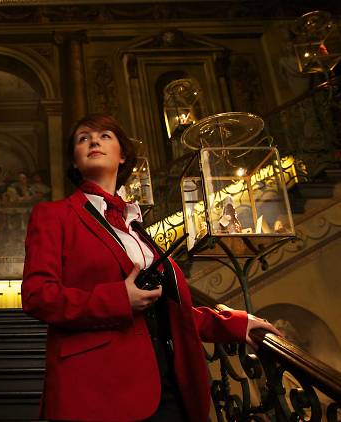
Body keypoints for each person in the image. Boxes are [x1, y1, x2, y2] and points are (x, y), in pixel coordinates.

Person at [21, 113, 280, 422]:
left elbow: (166, 309)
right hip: (97, 389)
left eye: (105, 135)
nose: (93, 141)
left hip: (169, 382)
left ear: (123, 155)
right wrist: (119, 299)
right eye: (82, 138)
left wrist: (233, 324)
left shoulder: (136, 228)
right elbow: (37, 296)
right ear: (74, 162)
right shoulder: (53, 215)